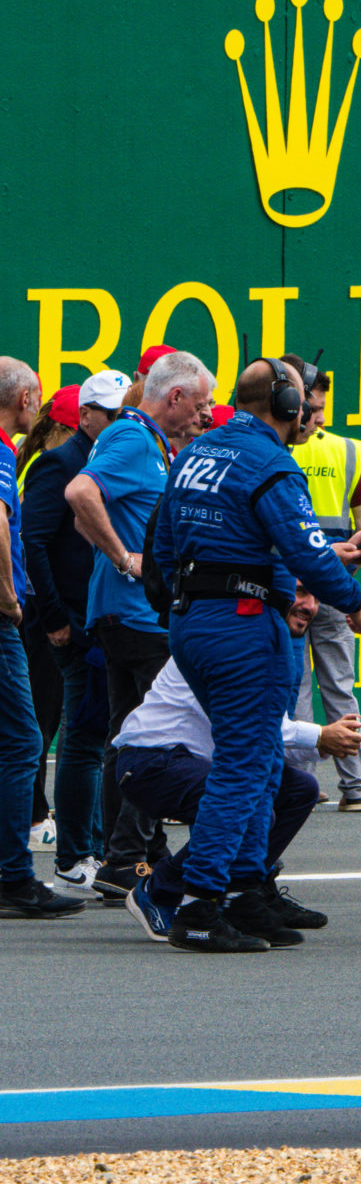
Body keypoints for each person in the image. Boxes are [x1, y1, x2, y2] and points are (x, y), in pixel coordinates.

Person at [151, 359, 361, 953]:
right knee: (245, 765)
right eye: (300, 400)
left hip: (195, 621)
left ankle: (247, 891)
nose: (305, 411)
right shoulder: (271, 463)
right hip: (243, 626)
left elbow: (162, 548)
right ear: (283, 403)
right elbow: (307, 553)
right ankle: (201, 906)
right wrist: (353, 603)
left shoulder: (195, 454)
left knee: (258, 760)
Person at [115, 588, 361, 945]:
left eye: (316, 598)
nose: (309, 606)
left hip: (196, 760)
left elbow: (261, 741)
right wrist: (320, 736)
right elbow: (246, 722)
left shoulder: (266, 643)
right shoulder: (232, 637)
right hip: (151, 760)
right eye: (300, 592)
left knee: (298, 791)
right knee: (244, 804)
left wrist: (323, 743)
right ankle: (163, 890)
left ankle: (247, 891)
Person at [66, 349, 215, 897]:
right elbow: (79, 494)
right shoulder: (134, 438)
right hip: (137, 617)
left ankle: (139, 852)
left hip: (124, 614)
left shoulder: (139, 440)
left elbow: (87, 509)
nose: (202, 414)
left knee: (128, 734)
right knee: (154, 739)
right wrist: (125, 558)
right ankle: (126, 856)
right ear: (174, 397)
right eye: (199, 403)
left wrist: (112, 549)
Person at [23, 372, 119, 893]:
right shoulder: (57, 464)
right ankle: (75, 854)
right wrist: (56, 619)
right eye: (106, 412)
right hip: (70, 623)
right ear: (85, 415)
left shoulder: (114, 459)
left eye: (121, 412)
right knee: (79, 737)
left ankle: (99, 847)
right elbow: (32, 544)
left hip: (104, 619)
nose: (114, 422)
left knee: (103, 736)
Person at [0, 358, 82, 920]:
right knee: (23, 742)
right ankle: (12, 876)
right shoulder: (5, 452)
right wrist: (8, 595)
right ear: (27, 398)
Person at [288, 359, 361, 814]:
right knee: (339, 686)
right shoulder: (348, 450)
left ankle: (302, 782)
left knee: (296, 687)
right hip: (334, 581)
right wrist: (346, 587)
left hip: (287, 583)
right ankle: (355, 786)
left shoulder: (277, 446)